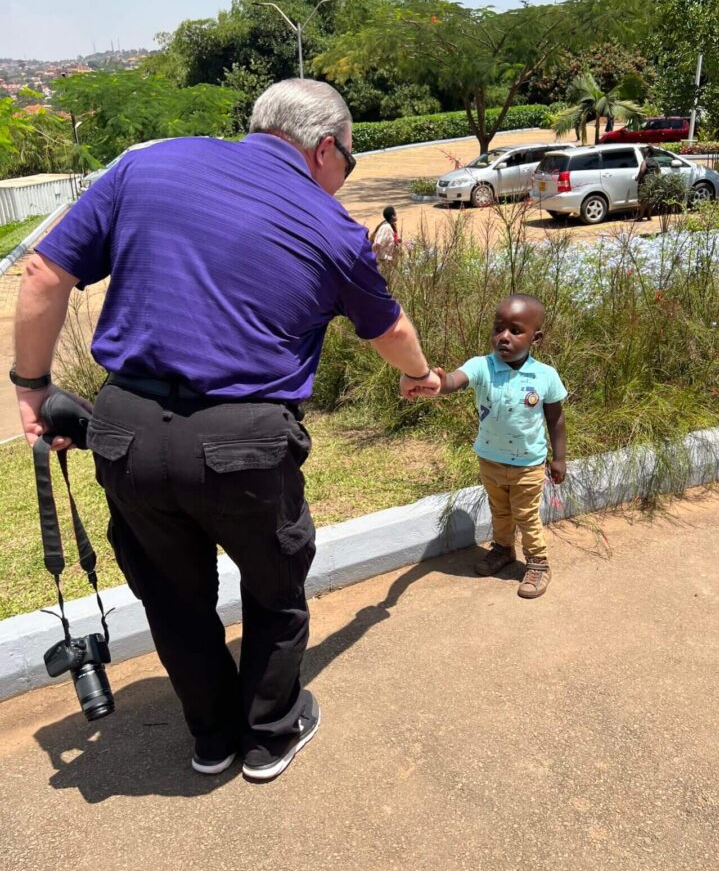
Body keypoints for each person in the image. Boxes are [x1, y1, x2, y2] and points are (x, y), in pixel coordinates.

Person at [12, 78, 440, 783]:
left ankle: (211, 739)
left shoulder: (145, 165)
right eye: (350, 162)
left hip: (126, 432)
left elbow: (43, 274)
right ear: (325, 149)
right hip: (245, 443)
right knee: (273, 591)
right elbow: (390, 329)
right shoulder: (332, 228)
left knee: (173, 597)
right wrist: (418, 372)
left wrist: (32, 388)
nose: (344, 178)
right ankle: (269, 736)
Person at [433, 294, 567, 600]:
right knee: (500, 511)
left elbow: (556, 420)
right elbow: (457, 379)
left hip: (528, 464)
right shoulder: (482, 366)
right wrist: (441, 382)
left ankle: (538, 563)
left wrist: (559, 460)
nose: (503, 337)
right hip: (490, 460)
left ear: (537, 337)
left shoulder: (545, 376)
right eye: (498, 328)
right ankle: (503, 549)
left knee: (526, 515)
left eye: (515, 331)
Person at [635, 145, 661, 221]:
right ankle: (649, 216)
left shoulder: (645, 161)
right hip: (652, 180)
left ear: (648, 152)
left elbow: (642, 170)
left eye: (645, 151)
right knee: (651, 199)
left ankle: (641, 216)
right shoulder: (655, 161)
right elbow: (658, 171)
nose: (644, 152)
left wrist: (637, 178)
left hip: (645, 181)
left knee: (644, 199)